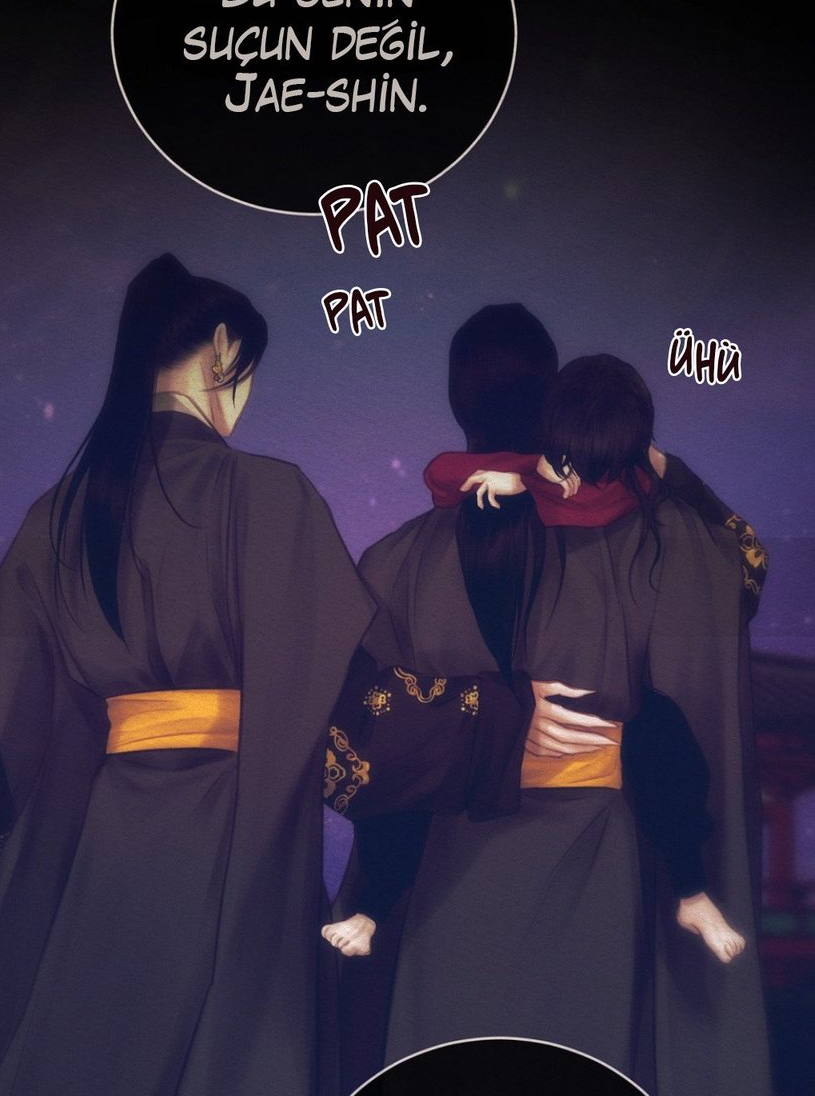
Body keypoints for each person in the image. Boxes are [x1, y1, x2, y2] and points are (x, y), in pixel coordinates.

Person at [0, 254, 374, 1096]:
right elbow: (330, 673)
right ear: (223, 348)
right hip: (232, 823)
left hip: (106, 834)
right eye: (248, 374)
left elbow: (27, 703)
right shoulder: (269, 494)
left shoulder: (61, 512)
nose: (244, 399)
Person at [325, 343, 772, 1096]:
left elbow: (345, 730)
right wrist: (666, 471)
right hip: (596, 851)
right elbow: (744, 564)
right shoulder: (663, 540)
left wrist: (477, 723)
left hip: (452, 853)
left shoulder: (400, 557)